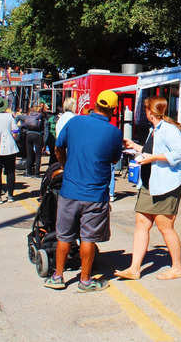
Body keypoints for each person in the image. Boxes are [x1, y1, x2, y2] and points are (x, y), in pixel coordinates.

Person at [44, 90, 122, 292]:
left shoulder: (75, 122)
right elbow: (114, 160)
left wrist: (65, 163)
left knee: (64, 236)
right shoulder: (114, 132)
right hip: (95, 195)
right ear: (113, 110)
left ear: (95, 104)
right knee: (88, 238)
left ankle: (57, 277)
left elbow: (58, 148)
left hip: (70, 190)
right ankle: (85, 280)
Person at [115, 95, 181, 281]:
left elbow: (180, 153)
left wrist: (153, 158)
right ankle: (134, 268)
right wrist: (136, 147)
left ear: (150, 111)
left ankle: (178, 267)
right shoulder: (154, 129)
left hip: (166, 186)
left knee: (165, 227)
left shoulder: (169, 129)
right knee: (141, 223)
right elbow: (153, 151)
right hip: (150, 184)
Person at [24, 104, 46, 178]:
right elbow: (45, 128)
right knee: (38, 155)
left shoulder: (29, 115)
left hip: (28, 135)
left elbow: (24, 125)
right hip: (38, 135)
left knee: (29, 154)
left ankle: (28, 172)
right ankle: (37, 173)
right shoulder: (42, 116)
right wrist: (45, 141)